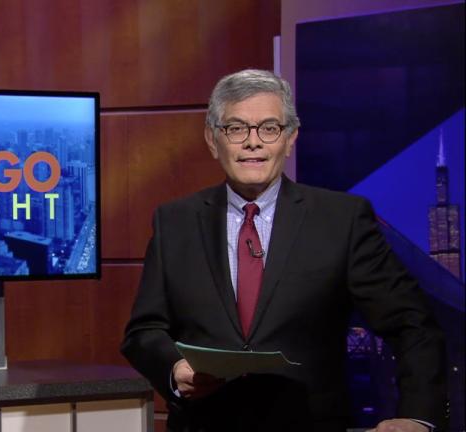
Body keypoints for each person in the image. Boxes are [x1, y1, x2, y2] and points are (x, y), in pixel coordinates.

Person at [120, 69, 447, 432]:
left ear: (290, 139)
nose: (253, 142)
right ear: (213, 140)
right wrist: (174, 369)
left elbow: (412, 324)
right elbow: (144, 331)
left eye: (269, 128)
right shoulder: (175, 221)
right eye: (236, 128)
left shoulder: (342, 220)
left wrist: (417, 416)